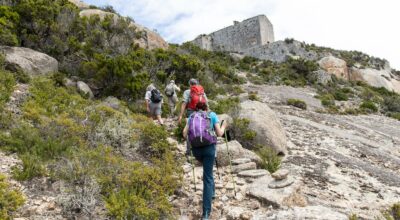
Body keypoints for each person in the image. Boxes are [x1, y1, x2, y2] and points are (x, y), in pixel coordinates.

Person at [183, 101, 227, 220]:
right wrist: (224, 126)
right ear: (206, 107)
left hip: (197, 151)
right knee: (207, 177)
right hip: (209, 149)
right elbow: (219, 133)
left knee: (208, 173)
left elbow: (184, 134)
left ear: (196, 109)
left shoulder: (191, 116)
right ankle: (206, 213)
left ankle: (212, 194)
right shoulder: (212, 115)